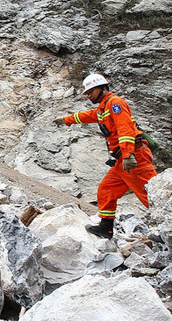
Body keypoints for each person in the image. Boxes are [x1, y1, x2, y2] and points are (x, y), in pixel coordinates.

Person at [54, 73, 157, 238]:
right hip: (122, 160)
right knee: (106, 189)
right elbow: (88, 115)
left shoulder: (115, 104)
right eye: (87, 93)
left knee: (149, 194)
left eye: (91, 92)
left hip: (134, 157)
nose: (89, 96)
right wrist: (66, 120)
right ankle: (106, 228)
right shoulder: (104, 108)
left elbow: (125, 129)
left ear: (102, 88)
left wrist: (128, 154)